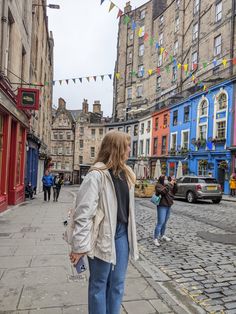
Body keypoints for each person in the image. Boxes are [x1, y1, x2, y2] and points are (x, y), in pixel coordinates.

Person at [70, 130, 139, 314]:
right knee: (99, 284)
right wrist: (79, 247)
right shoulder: (96, 175)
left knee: (117, 284)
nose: (130, 149)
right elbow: (83, 214)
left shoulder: (128, 173)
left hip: (122, 234)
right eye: (127, 146)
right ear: (116, 148)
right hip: (102, 234)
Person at [153, 175, 177, 247]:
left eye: (167, 179)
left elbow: (174, 191)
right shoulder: (158, 186)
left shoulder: (167, 185)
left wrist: (175, 184)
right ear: (161, 179)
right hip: (162, 206)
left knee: (165, 222)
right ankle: (155, 238)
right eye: (165, 179)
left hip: (168, 206)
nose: (166, 180)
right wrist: (169, 184)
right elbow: (163, 192)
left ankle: (162, 235)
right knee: (160, 222)